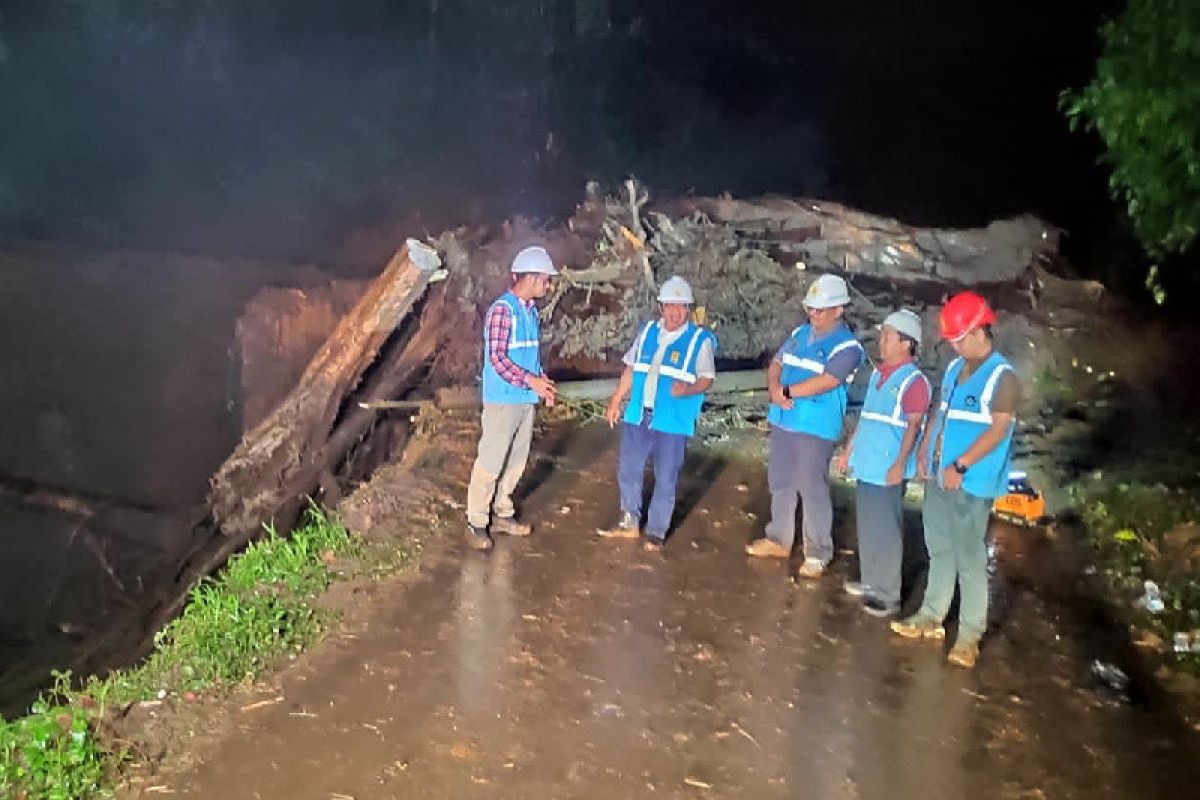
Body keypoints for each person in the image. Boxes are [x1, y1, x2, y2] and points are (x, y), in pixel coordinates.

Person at [890, 291, 1020, 669]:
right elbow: (939, 415)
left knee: (969, 558)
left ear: (981, 330)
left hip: (971, 481)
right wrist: (926, 452)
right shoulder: (953, 370)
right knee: (940, 548)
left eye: (961, 338)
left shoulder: (1003, 377)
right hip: (940, 475)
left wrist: (960, 466)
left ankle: (968, 636)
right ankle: (931, 615)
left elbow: (997, 432)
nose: (957, 346)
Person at [747, 274, 864, 578]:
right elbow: (777, 362)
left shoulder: (847, 347)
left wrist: (788, 392)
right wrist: (775, 388)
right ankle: (778, 538)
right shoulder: (800, 333)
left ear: (839, 309)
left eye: (820, 310)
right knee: (781, 479)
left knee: (812, 486)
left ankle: (817, 552)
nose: (813, 314)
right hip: (785, 418)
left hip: (815, 424)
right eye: (811, 308)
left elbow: (829, 380)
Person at [597, 276, 717, 552]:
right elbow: (631, 368)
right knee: (628, 468)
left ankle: (656, 530)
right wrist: (616, 400)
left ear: (688, 309)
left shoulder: (700, 340)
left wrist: (687, 390)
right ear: (660, 307)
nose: (675, 312)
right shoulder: (649, 331)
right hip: (640, 413)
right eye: (669, 306)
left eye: (681, 307)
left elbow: (707, 378)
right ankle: (629, 521)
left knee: (666, 476)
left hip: (672, 420)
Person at [834, 309, 931, 617]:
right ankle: (871, 581)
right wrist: (849, 451)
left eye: (889, 336)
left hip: (888, 465)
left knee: (887, 530)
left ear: (907, 344)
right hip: (869, 463)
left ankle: (887, 595)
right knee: (870, 524)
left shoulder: (914, 382)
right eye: (884, 335)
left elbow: (914, 426)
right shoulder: (879, 374)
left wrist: (900, 464)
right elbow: (866, 418)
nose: (882, 341)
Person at [464, 245, 559, 551]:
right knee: (491, 460)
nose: (548, 285)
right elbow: (498, 359)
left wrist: (542, 383)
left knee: (517, 460)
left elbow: (529, 356)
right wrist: (532, 380)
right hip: (503, 399)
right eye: (545, 279)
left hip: (524, 397)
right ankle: (476, 522)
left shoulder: (529, 312)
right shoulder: (503, 311)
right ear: (530, 277)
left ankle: (501, 513)